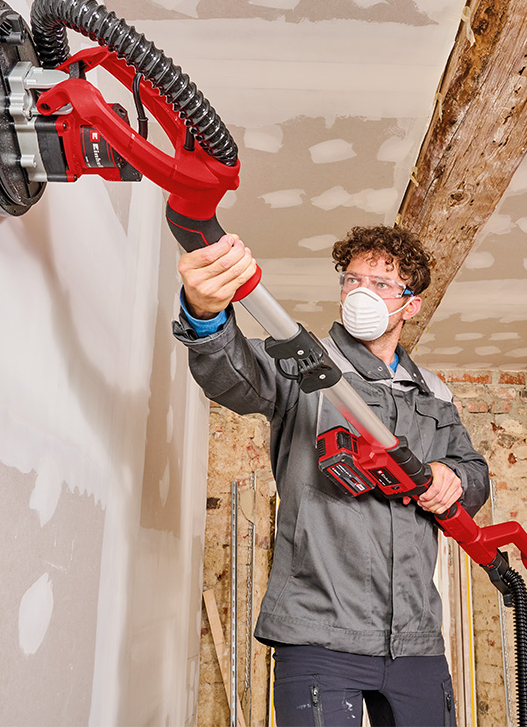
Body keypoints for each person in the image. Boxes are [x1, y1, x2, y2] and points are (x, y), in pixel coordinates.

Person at [173, 225, 489, 726]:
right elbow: (232, 374)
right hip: (319, 633)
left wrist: (452, 477)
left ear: (411, 305)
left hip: (416, 640)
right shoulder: (304, 365)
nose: (360, 292)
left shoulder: (434, 396)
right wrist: (206, 314)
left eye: (381, 284)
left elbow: (474, 474)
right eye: (352, 280)